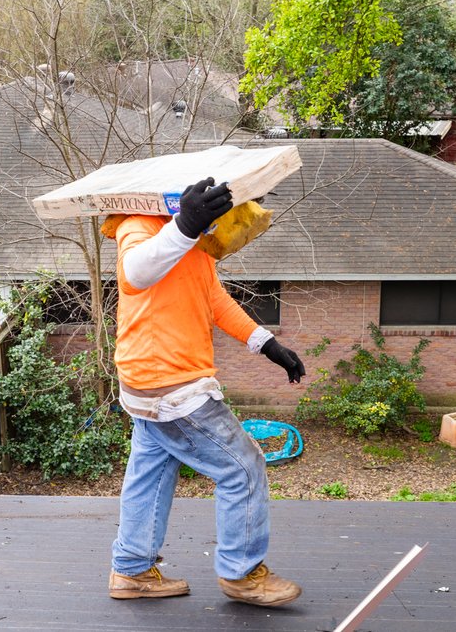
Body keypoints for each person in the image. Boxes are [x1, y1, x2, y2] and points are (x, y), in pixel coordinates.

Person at [108, 177, 306, 607]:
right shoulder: (139, 223)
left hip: (149, 385)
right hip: (172, 385)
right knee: (243, 466)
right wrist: (185, 224)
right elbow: (134, 274)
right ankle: (241, 573)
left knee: (152, 473)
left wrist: (266, 344)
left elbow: (212, 298)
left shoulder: (193, 237)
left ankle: (131, 569)